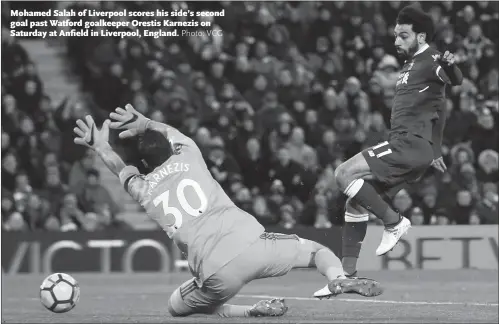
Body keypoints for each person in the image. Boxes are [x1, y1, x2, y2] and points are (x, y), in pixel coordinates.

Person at [72, 104, 383, 318]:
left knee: (178, 306)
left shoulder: (142, 189)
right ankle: (337, 277)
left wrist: (101, 146)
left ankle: (251, 311)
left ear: (143, 166)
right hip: (253, 244)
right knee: (316, 251)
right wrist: (147, 123)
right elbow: (170, 133)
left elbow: (119, 168)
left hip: (216, 272)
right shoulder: (190, 153)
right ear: (170, 148)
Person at [334, 4, 463, 276]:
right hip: (415, 149)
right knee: (355, 203)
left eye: (403, 35)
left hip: (408, 144)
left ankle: (393, 222)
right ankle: (347, 275)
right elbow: (440, 111)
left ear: (421, 37)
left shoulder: (433, 59)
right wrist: (436, 150)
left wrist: (452, 68)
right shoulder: (412, 64)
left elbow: (454, 78)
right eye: (395, 35)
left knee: (344, 174)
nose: (396, 41)